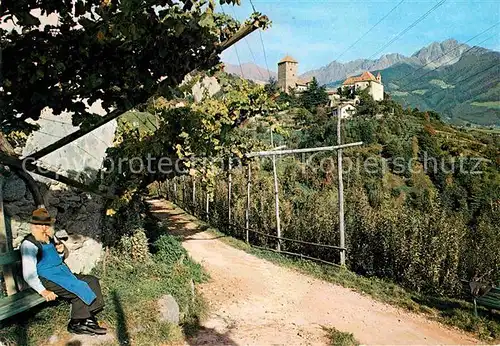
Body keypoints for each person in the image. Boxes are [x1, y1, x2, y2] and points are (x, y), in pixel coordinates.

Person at [20, 207, 107, 335]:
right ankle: (76, 323)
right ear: (34, 226)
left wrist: (61, 252)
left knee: (91, 280)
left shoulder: (51, 237)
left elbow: (58, 257)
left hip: (62, 273)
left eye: (46, 224)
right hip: (48, 278)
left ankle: (88, 318)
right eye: (40, 225)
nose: (43, 228)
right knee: (78, 287)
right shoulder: (28, 244)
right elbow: (29, 274)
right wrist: (43, 291)